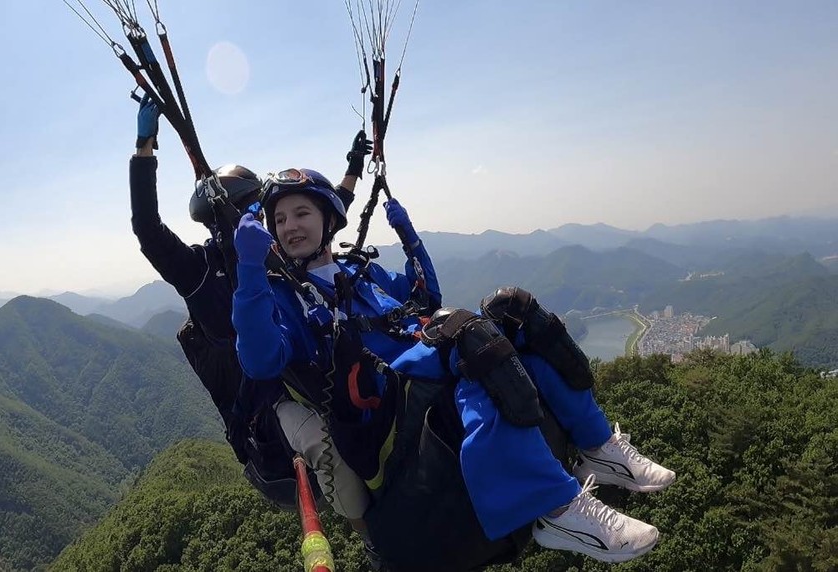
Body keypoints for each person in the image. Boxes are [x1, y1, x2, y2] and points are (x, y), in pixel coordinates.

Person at [230, 168, 676, 564]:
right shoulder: (281, 298)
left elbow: (427, 298)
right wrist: (250, 270)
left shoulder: (359, 273)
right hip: (381, 412)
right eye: (280, 220)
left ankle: (600, 446)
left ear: (328, 219)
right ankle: (557, 508)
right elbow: (260, 360)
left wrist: (410, 238)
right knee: (466, 337)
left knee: (514, 311)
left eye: (301, 213)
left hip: (424, 366)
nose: (290, 227)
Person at [127, 97, 372, 502]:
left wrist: (353, 169)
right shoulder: (201, 271)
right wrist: (144, 147)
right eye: (255, 208)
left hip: (303, 379)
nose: (266, 218)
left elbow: (327, 214)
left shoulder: (270, 252)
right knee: (332, 450)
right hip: (269, 415)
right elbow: (148, 230)